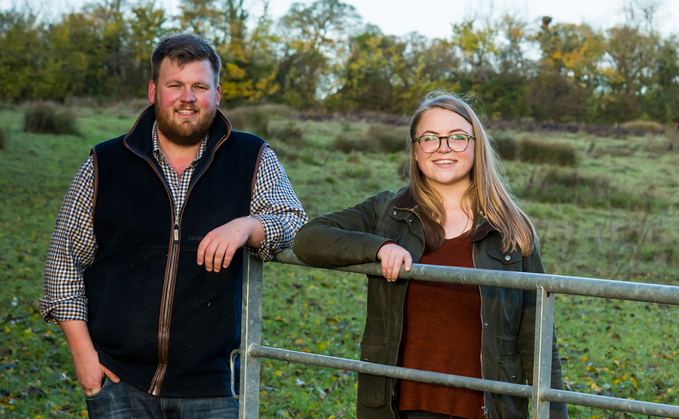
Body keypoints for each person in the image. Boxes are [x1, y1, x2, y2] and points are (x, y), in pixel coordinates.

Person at [40, 33, 307, 418]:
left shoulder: (252, 156)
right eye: (175, 86)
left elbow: (295, 223)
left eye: (200, 86)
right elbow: (63, 263)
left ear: (217, 94)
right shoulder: (105, 163)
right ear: (153, 91)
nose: (187, 98)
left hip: (213, 385)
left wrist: (249, 226)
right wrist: (84, 357)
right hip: (119, 380)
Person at [293, 92, 567, 419]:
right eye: (430, 138)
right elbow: (308, 238)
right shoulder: (387, 213)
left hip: (487, 410)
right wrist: (379, 247)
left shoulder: (511, 229)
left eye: (457, 137)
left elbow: (537, 340)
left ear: (476, 146)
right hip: (399, 408)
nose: (443, 148)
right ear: (415, 150)